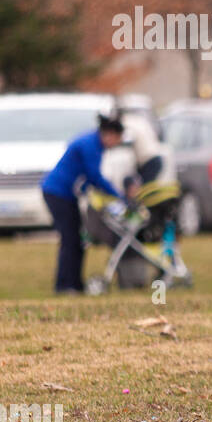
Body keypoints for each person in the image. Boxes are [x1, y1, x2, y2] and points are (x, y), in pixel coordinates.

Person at [40, 113, 126, 293]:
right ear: (109, 134)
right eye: (118, 139)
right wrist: (118, 196)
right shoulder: (91, 145)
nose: (117, 143)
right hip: (57, 193)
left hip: (65, 195)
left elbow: (86, 178)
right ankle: (64, 285)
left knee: (77, 240)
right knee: (70, 239)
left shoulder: (93, 142)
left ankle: (75, 284)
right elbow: (94, 176)